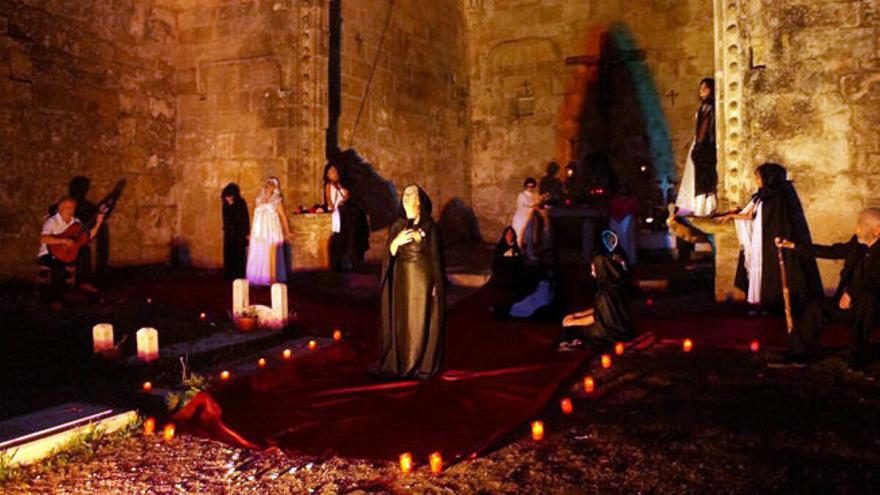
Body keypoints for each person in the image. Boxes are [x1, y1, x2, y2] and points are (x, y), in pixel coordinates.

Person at [772, 208, 880, 371]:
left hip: (873, 310)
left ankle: (858, 359)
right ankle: (797, 355)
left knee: (867, 300)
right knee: (816, 307)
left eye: (861, 225)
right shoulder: (857, 244)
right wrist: (793, 246)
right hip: (848, 306)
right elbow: (831, 251)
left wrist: (851, 293)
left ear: (877, 230)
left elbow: (875, 281)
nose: (856, 229)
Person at [717, 163, 822, 314]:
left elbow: (780, 221)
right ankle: (761, 302)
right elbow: (749, 215)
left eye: (758, 177)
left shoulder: (777, 196)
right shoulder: (761, 196)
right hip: (760, 240)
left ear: (767, 177)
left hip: (769, 240)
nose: (756, 180)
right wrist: (731, 216)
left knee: (771, 271)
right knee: (759, 270)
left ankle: (772, 303)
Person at [374, 185, 446, 379]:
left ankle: (418, 362)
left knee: (419, 319)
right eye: (404, 194)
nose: (406, 198)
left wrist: (435, 285)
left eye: (411, 194)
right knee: (401, 319)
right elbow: (389, 255)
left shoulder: (430, 226)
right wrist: (395, 244)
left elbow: (436, 258)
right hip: (401, 279)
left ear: (419, 201)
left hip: (422, 280)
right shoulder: (397, 226)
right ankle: (400, 361)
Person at [559, 231, 636, 350]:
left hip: (613, 332)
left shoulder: (607, 291)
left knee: (571, 328)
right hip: (620, 328)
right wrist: (577, 315)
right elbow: (601, 310)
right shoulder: (614, 285)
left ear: (602, 269)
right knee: (570, 321)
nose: (592, 273)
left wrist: (573, 322)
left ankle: (573, 344)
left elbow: (601, 318)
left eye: (594, 269)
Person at [38, 196, 106, 310]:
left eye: (73, 207)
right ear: (61, 208)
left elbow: (88, 237)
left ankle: (84, 282)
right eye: (69, 207)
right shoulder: (52, 221)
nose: (72, 210)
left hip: (69, 253)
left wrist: (98, 223)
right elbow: (43, 239)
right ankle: (55, 299)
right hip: (48, 254)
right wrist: (64, 240)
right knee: (58, 265)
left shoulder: (76, 222)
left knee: (85, 250)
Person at [675, 78, 717, 217]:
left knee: (702, 178)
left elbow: (705, 126)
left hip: (704, 145)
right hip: (702, 144)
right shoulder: (705, 106)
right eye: (700, 88)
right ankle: (701, 206)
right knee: (699, 177)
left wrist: (699, 143)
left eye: (705, 88)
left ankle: (703, 207)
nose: (701, 91)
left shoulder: (708, 106)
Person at [246, 177, 292, 286]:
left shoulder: (277, 201)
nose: (268, 186)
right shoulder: (258, 200)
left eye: (271, 185)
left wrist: (287, 231)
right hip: (259, 231)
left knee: (270, 254)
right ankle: (258, 277)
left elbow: (283, 217)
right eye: (267, 184)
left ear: (275, 188)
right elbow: (255, 217)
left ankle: (271, 278)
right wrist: (251, 232)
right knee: (259, 252)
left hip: (272, 231)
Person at [324, 164, 353, 271]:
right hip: (336, 213)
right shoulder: (328, 185)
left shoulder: (339, 185)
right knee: (336, 236)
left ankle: (343, 261)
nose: (334, 173)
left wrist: (343, 199)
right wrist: (332, 208)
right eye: (332, 172)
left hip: (343, 212)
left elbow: (346, 195)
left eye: (335, 172)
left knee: (344, 236)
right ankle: (335, 262)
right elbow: (328, 198)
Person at [221, 183, 250, 280]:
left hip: (239, 233)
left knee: (239, 254)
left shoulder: (241, 203)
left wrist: (247, 233)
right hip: (229, 233)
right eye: (226, 196)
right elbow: (225, 219)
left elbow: (245, 218)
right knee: (229, 253)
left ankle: (239, 275)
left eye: (230, 196)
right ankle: (229, 274)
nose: (228, 199)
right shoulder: (225, 204)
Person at [609, 184, 640, 265]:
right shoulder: (614, 201)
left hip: (627, 220)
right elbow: (612, 210)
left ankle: (628, 259)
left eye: (624, 189)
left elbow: (635, 211)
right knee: (615, 240)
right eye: (621, 189)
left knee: (627, 241)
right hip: (616, 222)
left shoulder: (632, 201)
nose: (623, 191)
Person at [511, 177, 540, 247]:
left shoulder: (534, 195)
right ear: (526, 186)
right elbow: (524, 204)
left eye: (532, 186)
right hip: (521, 219)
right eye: (528, 186)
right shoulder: (521, 195)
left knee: (529, 237)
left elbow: (537, 205)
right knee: (518, 236)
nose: (530, 188)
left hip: (530, 218)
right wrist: (535, 204)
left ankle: (530, 253)